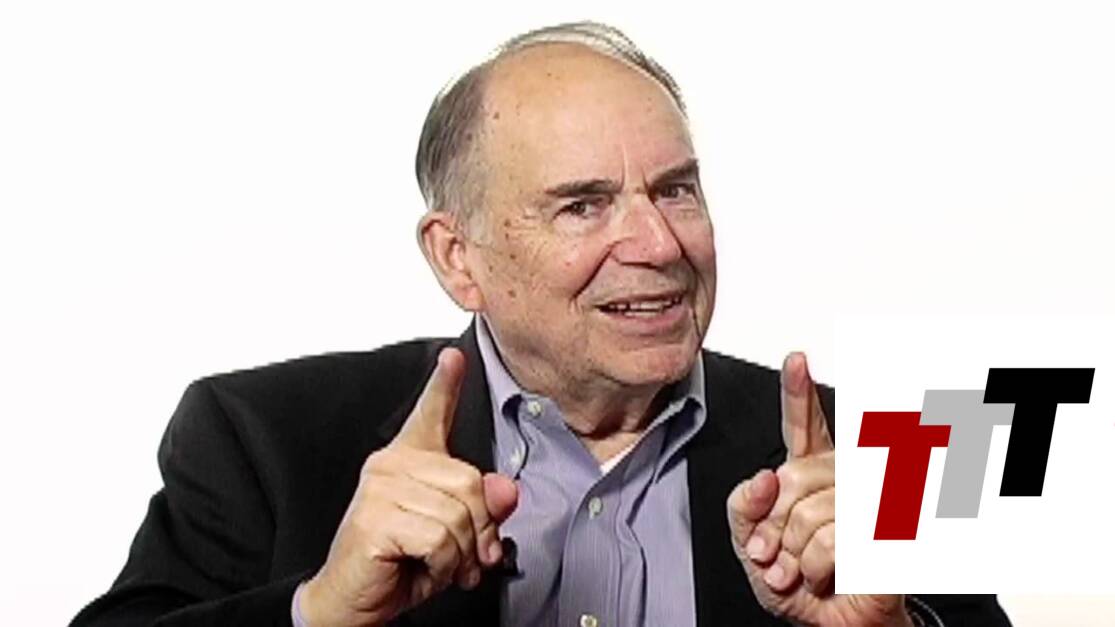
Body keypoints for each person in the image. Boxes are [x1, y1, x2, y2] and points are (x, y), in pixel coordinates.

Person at [71, 21, 1012, 627]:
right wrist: (317, 612)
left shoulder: (889, 442)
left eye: (675, 189)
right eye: (581, 205)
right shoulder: (260, 439)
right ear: (457, 258)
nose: (658, 242)